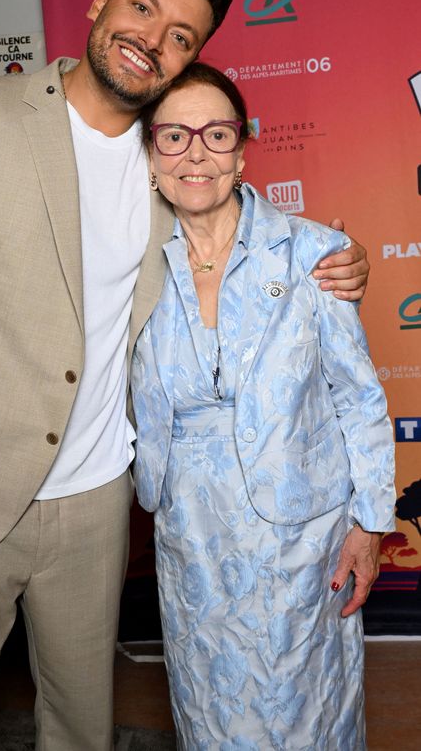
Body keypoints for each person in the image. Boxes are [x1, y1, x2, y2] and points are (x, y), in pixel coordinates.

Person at [0, 0, 369, 751]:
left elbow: (248, 239)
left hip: (99, 500)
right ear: (101, 3)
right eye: (142, 7)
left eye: (181, 36)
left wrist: (340, 263)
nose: (152, 39)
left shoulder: (166, 162)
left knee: (81, 727)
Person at [131, 62, 395, 750]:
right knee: (210, 716)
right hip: (192, 541)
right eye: (174, 136)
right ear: (150, 154)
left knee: (307, 715)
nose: (195, 154)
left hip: (303, 543)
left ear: (242, 151)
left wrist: (370, 523)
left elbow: (358, 398)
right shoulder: (129, 267)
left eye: (216, 134)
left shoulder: (313, 253)